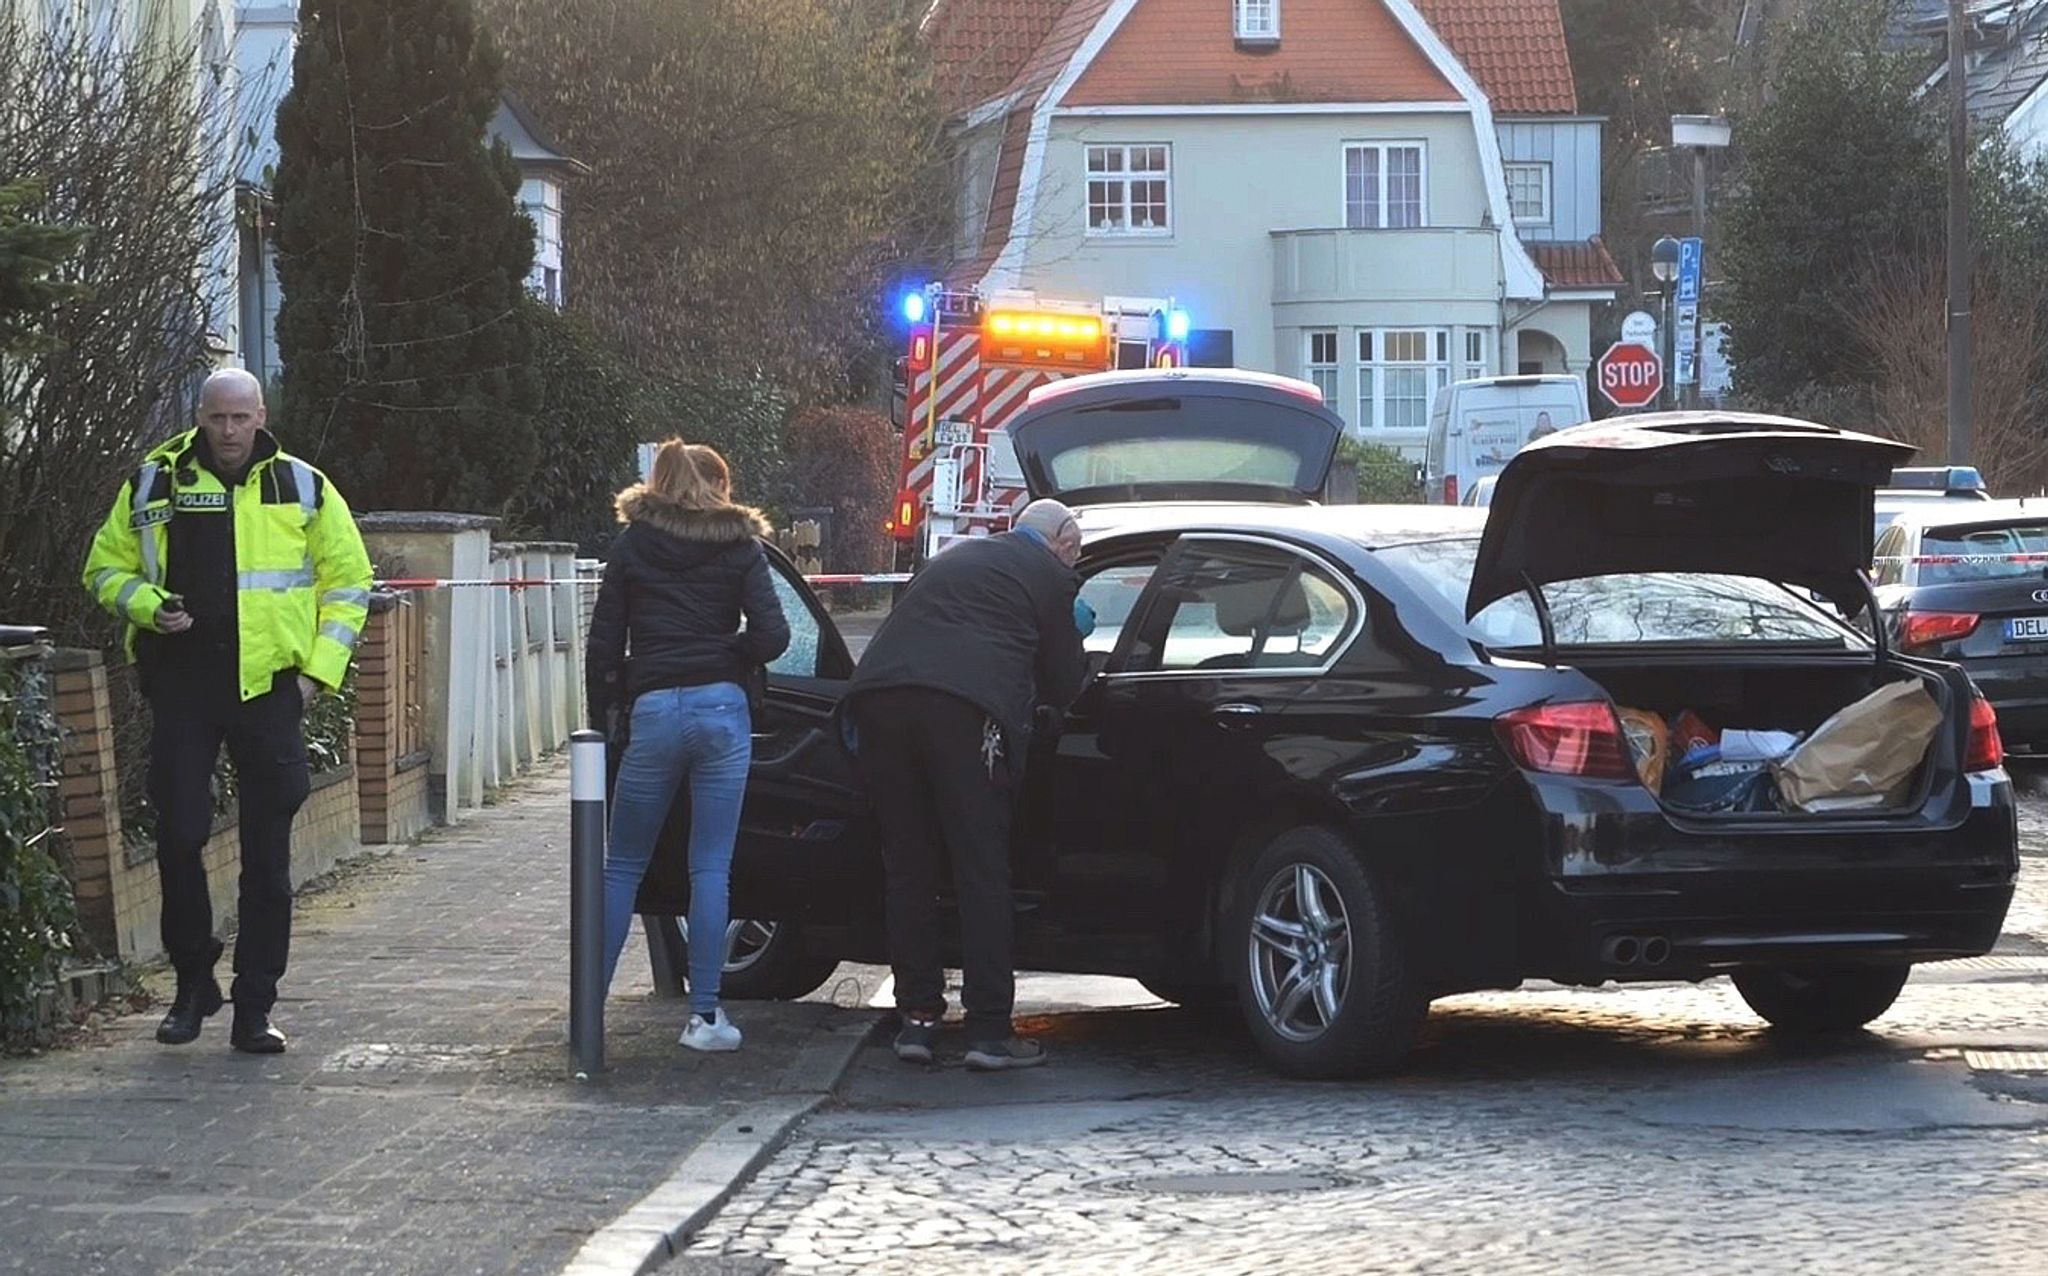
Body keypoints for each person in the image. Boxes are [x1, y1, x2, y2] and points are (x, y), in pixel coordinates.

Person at [82, 368, 373, 1054]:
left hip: (269, 689)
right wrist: (150, 608)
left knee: (266, 861)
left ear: (261, 416)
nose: (230, 431)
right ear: (200, 417)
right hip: (182, 685)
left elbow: (351, 580)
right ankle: (192, 985)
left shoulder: (302, 484)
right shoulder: (155, 480)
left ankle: (254, 1007)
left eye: (242, 418)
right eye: (218, 419)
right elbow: (102, 570)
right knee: (179, 836)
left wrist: (316, 677)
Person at [846, 500, 1089, 1071]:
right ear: (1064, 542)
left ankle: (919, 1022)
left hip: (879, 706)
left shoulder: (955, 559)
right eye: (1074, 553)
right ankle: (987, 1032)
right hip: (964, 714)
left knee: (908, 867)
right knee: (980, 868)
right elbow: (1065, 682)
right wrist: (1072, 634)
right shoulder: (1050, 575)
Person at [585, 440, 789, 1052]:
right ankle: (705, 1018)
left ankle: (587, 1010)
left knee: (622, 865)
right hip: (722, 710)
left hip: (653, 708)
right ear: (717, 487)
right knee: (710, 867)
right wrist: (730, 651)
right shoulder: (741, 547)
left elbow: (602, 646)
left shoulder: (632, 546)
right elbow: (775, 636)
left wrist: (605, 722)